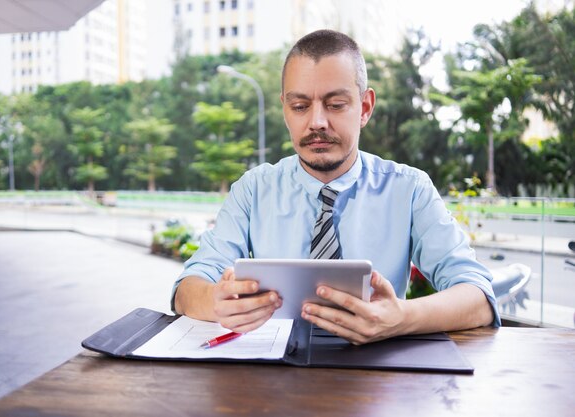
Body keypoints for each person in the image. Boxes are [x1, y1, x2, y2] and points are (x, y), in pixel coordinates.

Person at [171, 29, 499, 345]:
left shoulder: (409, 189)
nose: (316, 122)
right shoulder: (253, 190)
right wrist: (216, 301)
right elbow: (188, 287)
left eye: (336, 104)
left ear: (365, 108)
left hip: (376, 382)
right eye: (300, 106)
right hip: (272, 381)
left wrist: (403, 317)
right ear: (285, 109)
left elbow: (479, 297)